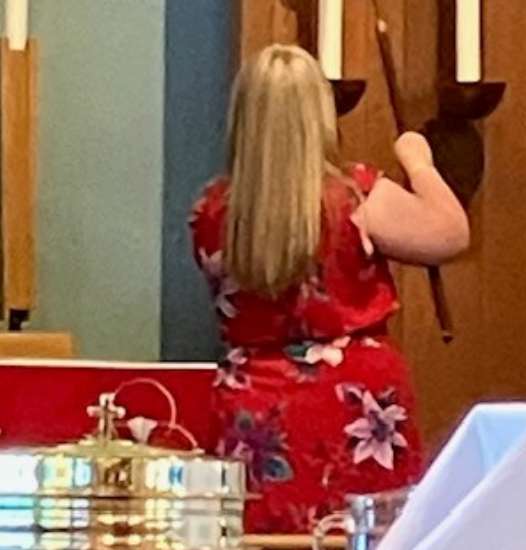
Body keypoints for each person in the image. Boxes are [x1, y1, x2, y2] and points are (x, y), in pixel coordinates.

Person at [189, 44, 469, 534]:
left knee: (262, 538)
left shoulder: (212, 212)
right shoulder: (357, 196)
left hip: (255, 406)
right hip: (355, 406)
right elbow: (450, 233)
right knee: (365, 534)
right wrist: (419, 162)